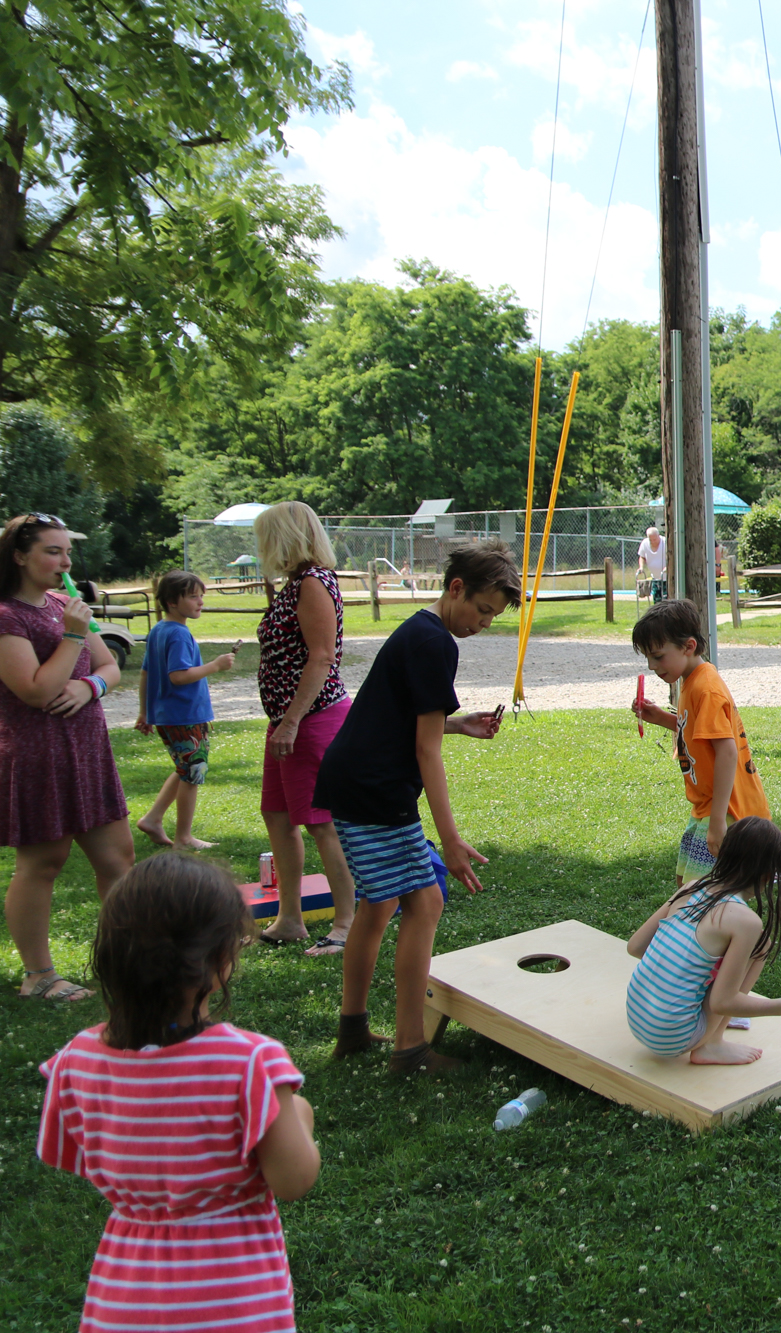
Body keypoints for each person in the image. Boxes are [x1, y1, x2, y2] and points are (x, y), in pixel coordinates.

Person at [37, 853, 320, 1331]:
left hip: (122, 1303)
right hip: (233, 1304)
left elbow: (78, 1155)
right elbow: (294, 1180)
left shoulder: (75, 1059)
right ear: (218, 960)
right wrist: (299, 1114)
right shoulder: (251, 1062)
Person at [316, 541, 519, 1073]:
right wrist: (449, 839)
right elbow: (426, 751)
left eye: (493, 617)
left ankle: (353, 1030)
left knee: (377, 905)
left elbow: (405, 721)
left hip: (352, 778)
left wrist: (458, 724)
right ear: (456, 588)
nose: (483, 624)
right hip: (376, 789)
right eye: (482, 610)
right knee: (425, 903)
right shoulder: (435, 643)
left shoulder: (419, 631)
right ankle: (410, 1048)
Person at [0, 513, 132, 1002]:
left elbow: (109, 665)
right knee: (43, 862)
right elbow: (35, 691)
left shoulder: (63, 604)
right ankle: (39, 975)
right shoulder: (7, 616)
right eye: (52, 552)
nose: (65, 562)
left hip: (87, 751)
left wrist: (89, 686)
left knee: (118, 858)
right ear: (20, 556)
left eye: (67, 552)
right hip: (39, 755)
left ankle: (126, 960)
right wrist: (73, 636)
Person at [252, 502, 360, 955]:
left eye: (266, 538)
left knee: (322, 824)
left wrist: (293, 721)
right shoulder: (294, 584)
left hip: (311, 720)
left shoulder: (314, 582)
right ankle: (289, 919)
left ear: (285, 538)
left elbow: (321, 657)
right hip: (286, 722)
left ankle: (347, 923)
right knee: (277, 817)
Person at [625, 817, 781, 1065]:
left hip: (636, 1016)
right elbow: (722, 1002)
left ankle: (702, 1030)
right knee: (761, 947)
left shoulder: (691, 887)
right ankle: (712, 1044)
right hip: (672, 1037)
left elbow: (636, 947)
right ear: (769, 874)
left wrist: (676, 969)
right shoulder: (746, 922)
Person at [630, 598, 771, 886]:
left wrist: (718, 821)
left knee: (701, 892)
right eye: (648, 658)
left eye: (658, 656)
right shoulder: (692, 679)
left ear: (688, 646)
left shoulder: (706, 688)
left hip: (727, 810)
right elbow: (697, 732)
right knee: (686, 883)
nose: (652, 666)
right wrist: (661, 718)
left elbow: (727, 752)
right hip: (707, 806)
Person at [133, 571, 236, 849]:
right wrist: (215, 666)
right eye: (192, 596)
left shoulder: (159, 630)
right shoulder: (178, 634)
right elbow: (178, 676)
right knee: (194, 771)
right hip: (185, 716)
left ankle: (153, 819)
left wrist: (145, 712)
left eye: (201, 595)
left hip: (168, 716)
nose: (200, 601)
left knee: (185, 768)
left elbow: (145, 673)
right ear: (171, 601)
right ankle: (184, 837)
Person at [636, 525, 669, 601]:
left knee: (666, 600)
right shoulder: (645, 543)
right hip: (655, 578)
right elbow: (642, 556)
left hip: (666, 579)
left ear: (658, 536)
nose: (653, 542)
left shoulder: (665, 542)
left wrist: (668, 567)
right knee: (657, 600)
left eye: (654, 539)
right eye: (651, 540)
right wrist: (641, 567)